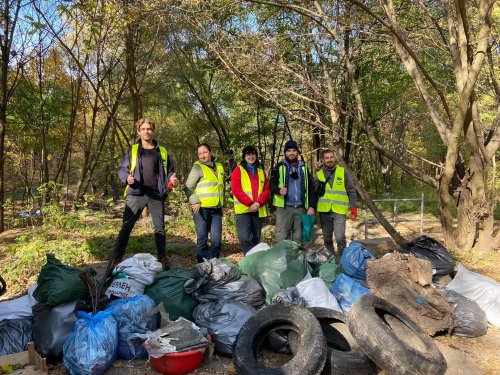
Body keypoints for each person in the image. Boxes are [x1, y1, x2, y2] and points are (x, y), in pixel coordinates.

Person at [111, 118, 177, 269]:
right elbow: (122, 169)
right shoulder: (133, 150)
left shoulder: (162, 151)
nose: (146, 132)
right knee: (127, 225)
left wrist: (172, 180)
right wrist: (126, 178)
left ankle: (162, 258)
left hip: (156, 194)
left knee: (159, 227)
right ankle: (117, 258)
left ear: (153, 131)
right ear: (138, 131)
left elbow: (170, 170)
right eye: (143, 129)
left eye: (149, 129)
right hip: (136, 192)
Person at [314, 149, 358, 261]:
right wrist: (312, 207)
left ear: (335, 158)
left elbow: (351, 190)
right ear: (323, 160)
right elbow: (313, 193)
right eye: (327, 158)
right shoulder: (318, 175)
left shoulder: (343, 172)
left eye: (331, 157)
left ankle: (343, 262)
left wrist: (353, 206)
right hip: (324, 212)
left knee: (340, 239)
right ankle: (332, 262)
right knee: (327, 239)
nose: (329, 160)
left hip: (339, 211)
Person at [270, 140, 317, 243]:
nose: (291, 153)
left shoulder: (303, 168)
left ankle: (298, 259)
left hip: (301, 208)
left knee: (300, 238)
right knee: (281, 238)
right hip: (284, 208)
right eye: (289, 151)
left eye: (294, 150)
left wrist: (312, 206)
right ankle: (284, 259)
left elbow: (311, 188)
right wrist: (278, 190)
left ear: (297, 152)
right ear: (285, 153)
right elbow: (270, 184)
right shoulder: (279, 167)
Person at [184, 143, 225, 263]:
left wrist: (224, 204)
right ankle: (202, 265)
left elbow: (221, 187)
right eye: (200, 153)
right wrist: (195, 201)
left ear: (210, 152)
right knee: (202, 238)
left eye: (205, 152)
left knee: (216, 240)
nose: (202, 155)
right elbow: (187, 187)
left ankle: (214, 264)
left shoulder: (219, 167)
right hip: (201, 209)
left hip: (216, 209)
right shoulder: (197, 167)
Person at [231, 145, 271, 254]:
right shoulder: (238, 170)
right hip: (244, 210)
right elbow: (236, 189)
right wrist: (250, 203)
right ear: (244, 157)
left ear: (256, 156)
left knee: (256, 238)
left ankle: (254, 263)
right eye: (248, 154)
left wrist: (258, 203)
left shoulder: (261, 172)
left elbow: (266, 190)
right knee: (245, 237)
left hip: (258, 210)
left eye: (253, 154)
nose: (251, 156)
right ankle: (249, 260)